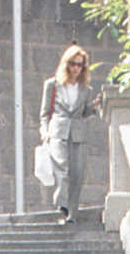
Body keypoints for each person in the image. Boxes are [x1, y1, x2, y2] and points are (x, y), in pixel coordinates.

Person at [37, 45, 101, 223]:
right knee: (61, 169)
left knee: (78, 174)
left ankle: (71, 214)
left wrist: (94, 108)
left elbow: (82, 113)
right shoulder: (52, 85)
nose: (75, 68)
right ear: (66, 64)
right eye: (72, 64)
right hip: (57, 131)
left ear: (83, 68)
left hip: (78, 134)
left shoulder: (85, 90)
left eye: (79, 65)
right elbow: (44, 113)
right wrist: (44, 130)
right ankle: (61, 207)